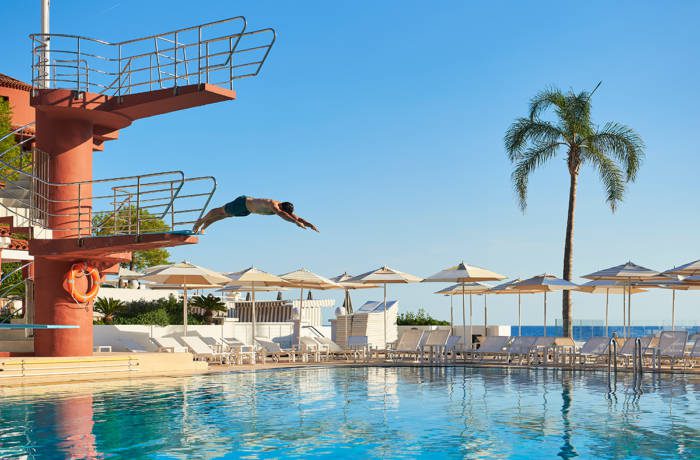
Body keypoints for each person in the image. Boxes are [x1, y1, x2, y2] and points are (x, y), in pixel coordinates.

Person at [193, 195, 319, 233]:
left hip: (247, 211)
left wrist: (309, 224)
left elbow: (296, 217)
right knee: (220, 211)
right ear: (281, 206)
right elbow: (282, 215)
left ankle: (204, 226)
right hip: (243, 203)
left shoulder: (284, 209)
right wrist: (296, 223)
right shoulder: (273, 205)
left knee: (224, 216)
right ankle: (200, 221)